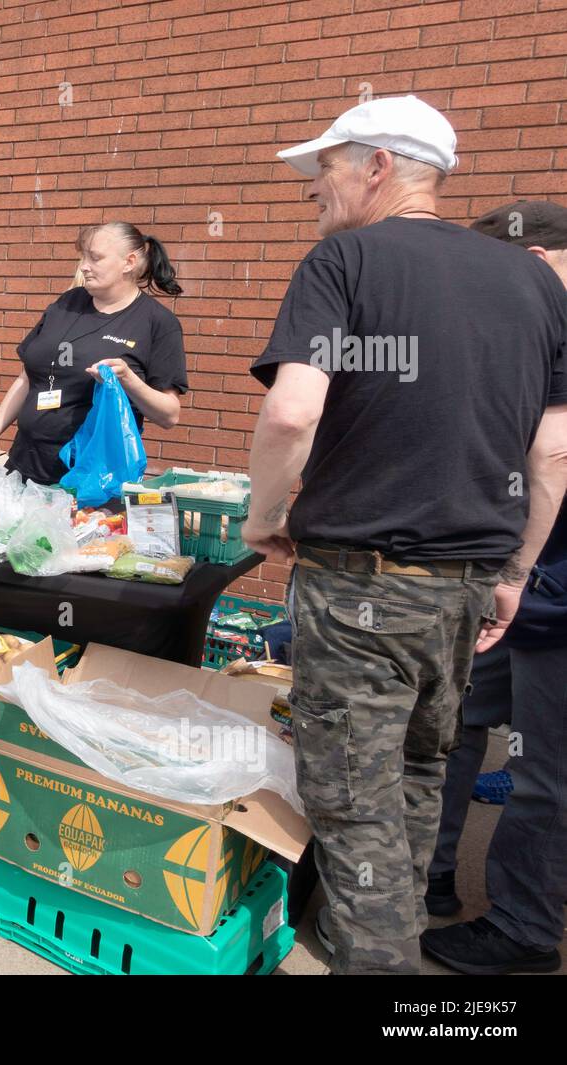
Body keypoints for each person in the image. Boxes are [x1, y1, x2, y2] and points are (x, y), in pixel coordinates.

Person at [241, 95, 567, 975]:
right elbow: (553, 452)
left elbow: (291, 414)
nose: (316, 189)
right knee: (422, 769)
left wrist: (264, 516)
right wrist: (515, 572)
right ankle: (391, 937)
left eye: (327, 168)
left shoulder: (345, 259)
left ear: (378, 165)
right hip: (467, 582)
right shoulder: (532, 280)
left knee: (353, 799)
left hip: (363, 583)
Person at [420, 200, 567, 975]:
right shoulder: (535, 329)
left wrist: (511, 571)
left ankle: (525, 928)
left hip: (545, 589)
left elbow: (551, 457)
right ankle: (435, 875)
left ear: (535, 261)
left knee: (545, 771)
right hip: (521, 585)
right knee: (459, 724)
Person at [0, 222, 188, 485]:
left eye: (95, 258)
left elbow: (169, 415)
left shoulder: (157, 323)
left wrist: (128, 379)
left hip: (91, 479)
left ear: (128, 262)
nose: (84, 266)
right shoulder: (67, 303)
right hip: (24, 463)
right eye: (83, 257)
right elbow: (27, 379)